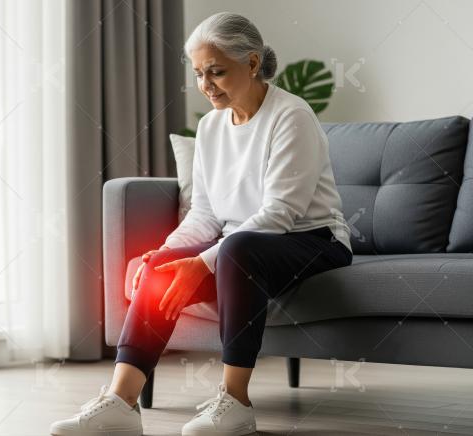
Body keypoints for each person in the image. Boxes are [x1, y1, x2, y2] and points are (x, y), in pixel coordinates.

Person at [50, 11, 353, 436]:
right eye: (198, 74)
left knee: (235, 249)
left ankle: (236, 402)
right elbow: (205, 214)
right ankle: (121, 402)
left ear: (251, 63)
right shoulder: (211, 127)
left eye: (217, 72)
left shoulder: (292, 117)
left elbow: (280, 213)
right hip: (239, 246)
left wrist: (203, 262)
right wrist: (168, 252)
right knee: (161, 265)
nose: (206, 85)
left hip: (312, 240)